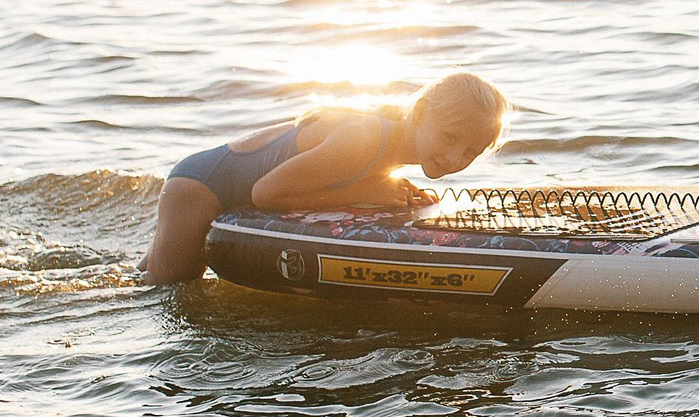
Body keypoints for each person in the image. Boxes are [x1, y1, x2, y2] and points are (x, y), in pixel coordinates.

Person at [142, 72, 510, 283]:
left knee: (147, 274)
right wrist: (368, 190)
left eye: (471, 152)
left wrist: (380, 191)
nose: (455, 158)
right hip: (199, 189)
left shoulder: (392, 148)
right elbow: (265, 194)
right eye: (449, 138)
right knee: (165, 291)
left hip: (213, 186)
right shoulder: (365, 138)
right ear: (421, 112)